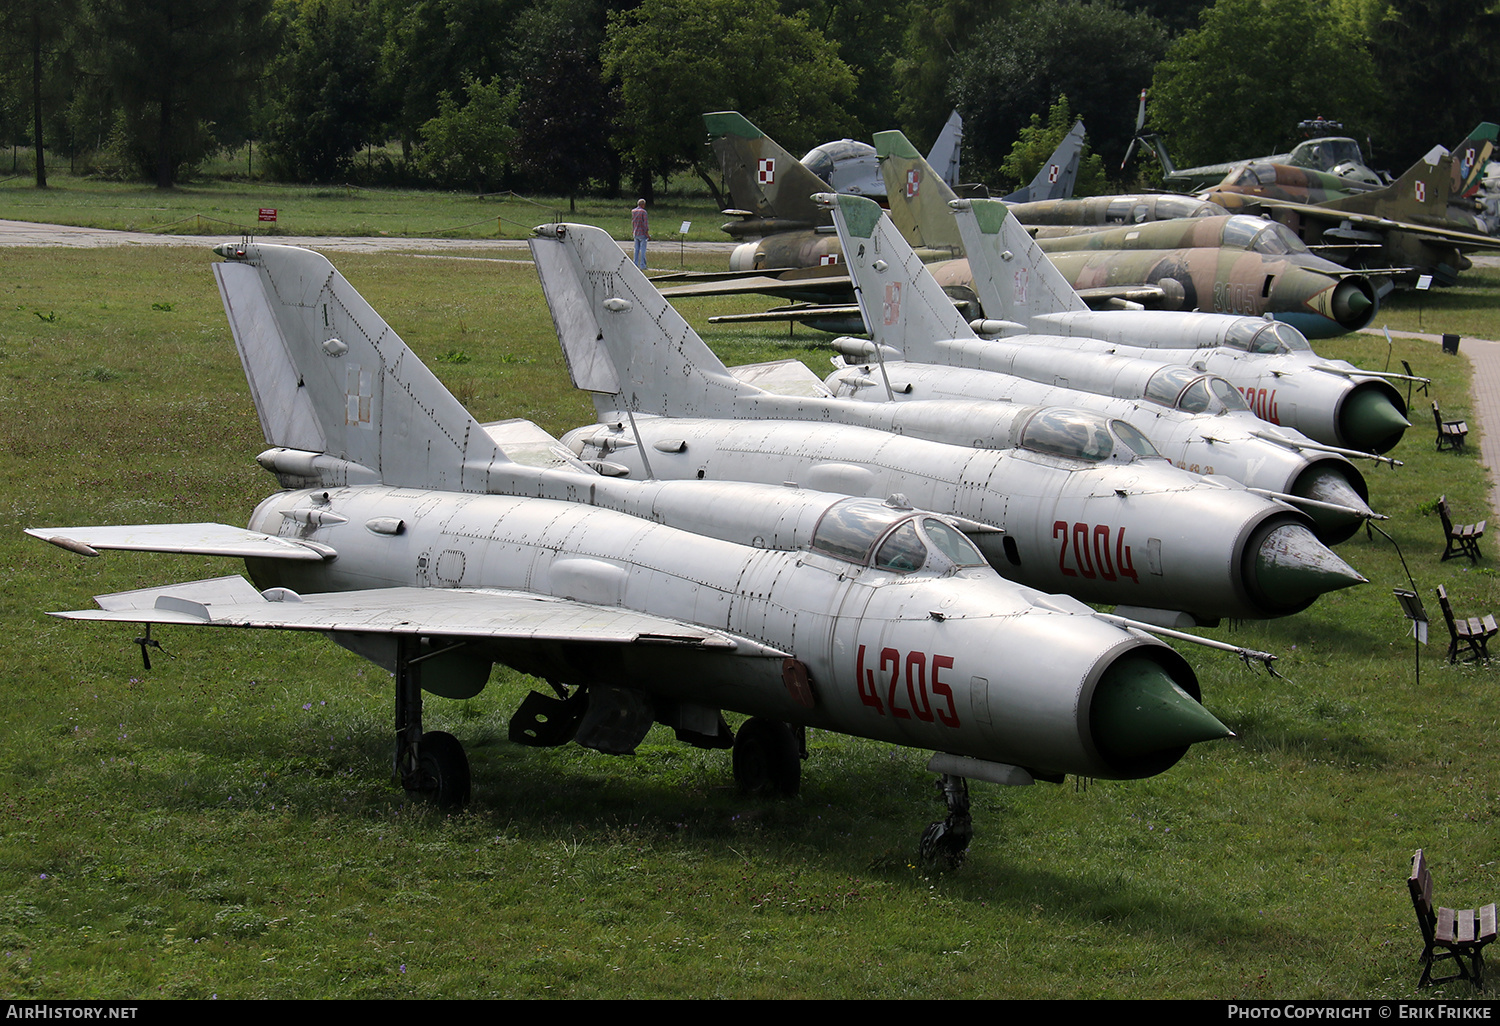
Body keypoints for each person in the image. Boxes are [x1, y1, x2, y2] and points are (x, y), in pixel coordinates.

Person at [631, 199, 649, 270]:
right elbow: (645, 223)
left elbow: (633, 221)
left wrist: (633, 230)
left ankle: (635, 263)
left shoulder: (633, 211)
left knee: (636, 249)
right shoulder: (643, 212)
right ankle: (642, 265)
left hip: (636, 232)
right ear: (643, 204)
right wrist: (647, 232)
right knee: (643, 249)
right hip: (642, 233)